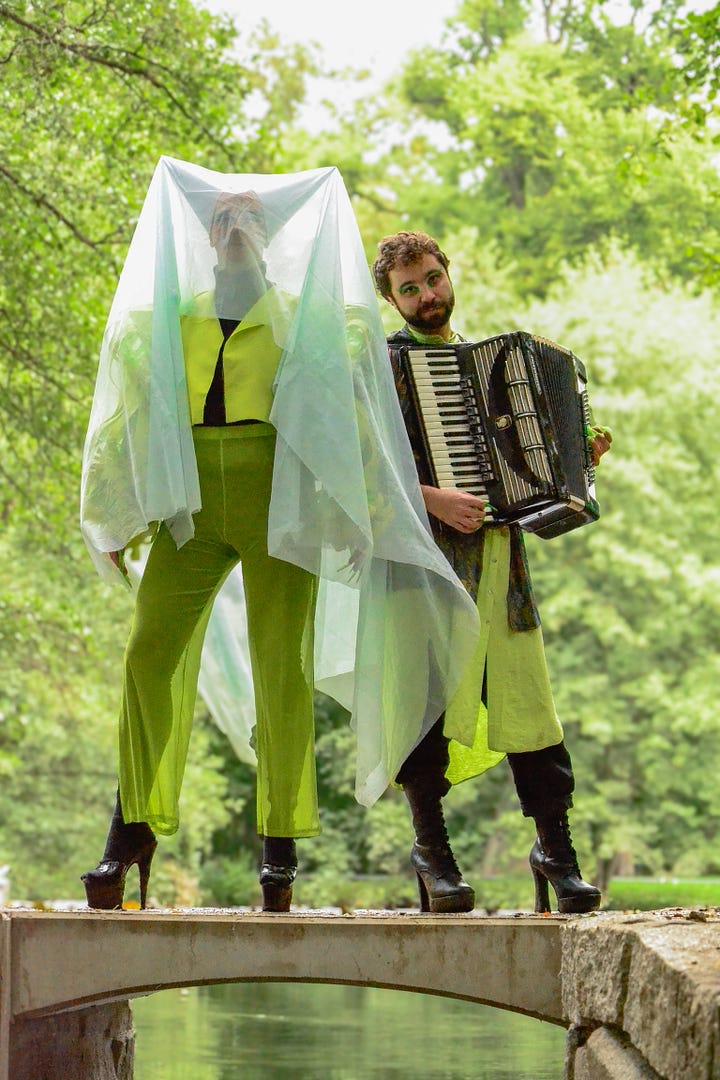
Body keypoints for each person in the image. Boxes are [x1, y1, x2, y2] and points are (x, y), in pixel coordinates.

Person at [79, 161, 480, 912]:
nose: (233, 233)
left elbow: (347, 424)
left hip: (277, 500)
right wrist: (112, 513)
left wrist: (367, 512)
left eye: (247, 222)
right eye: (222, 222)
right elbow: (133, 422)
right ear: (208, 236)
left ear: (266, 238)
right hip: (190, 505)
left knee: (280, 667)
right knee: (147, 654)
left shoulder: (307, 320)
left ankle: (279, 849)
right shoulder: (169, 321)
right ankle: (128, 832)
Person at [372, 230, 612, 914]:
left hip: (504, 564)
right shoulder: (381, 366)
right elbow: (361, 468)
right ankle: (432, 855)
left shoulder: (496, 363)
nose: (426, 297)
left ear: (449, 275)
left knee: (528, 705)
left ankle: (555, 855)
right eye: (410, 289)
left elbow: (532, 472)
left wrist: (578, 459)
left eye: (432, 280)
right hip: (425, 564)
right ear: (391, 299)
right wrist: (432, 499)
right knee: (424, 708)